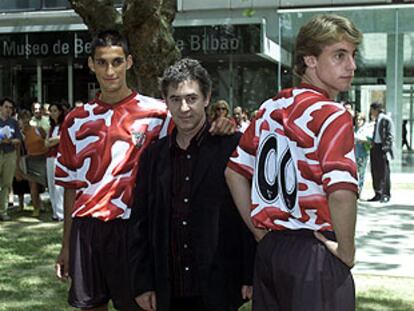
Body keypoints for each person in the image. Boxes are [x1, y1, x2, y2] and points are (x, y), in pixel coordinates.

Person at [54, 30, 234, 311]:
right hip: (88, 229)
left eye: (116, 61)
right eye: (101, 62)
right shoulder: (75, 120)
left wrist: (222, 124)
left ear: (129, 62)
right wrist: (66, 244)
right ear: (90, 64)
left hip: (132, 227)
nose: (109, 70)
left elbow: (194, 134)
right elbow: (70, 187)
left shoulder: (159, 112)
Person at [225, 14, 361, 311]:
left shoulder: (268, 109)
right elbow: (340, 192)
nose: (351, 66)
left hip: (271, 252)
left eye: (353, 55)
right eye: (339, 55)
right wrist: (347, 251)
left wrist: (260, 232)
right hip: (315, 252)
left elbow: (234, 172)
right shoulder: (333, 114)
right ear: (310, 60)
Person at [128, 58, 255, 311]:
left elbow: (248, 216)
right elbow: (140, 222)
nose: (184, 107)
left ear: (207, 98)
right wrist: (142, 282)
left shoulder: (232, 146)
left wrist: (250, 274)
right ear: (166, 102)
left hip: (219, 284)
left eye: (191, 98)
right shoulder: (153, 156)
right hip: (168, 287)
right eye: (175, 99)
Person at [18, 109, 48, 217]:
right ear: (19, 120)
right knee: (33, 185)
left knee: (48, 184)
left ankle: (49, 206)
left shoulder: (38, 129)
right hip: (31, 160)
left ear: (30, 118)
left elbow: (47, 140)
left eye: (27, 117)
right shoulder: (20, 133)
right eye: (22, 118)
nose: (25, 120)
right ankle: (36, 209)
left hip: (43, 158)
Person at [0, 97, 22, 221]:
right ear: (0, 107)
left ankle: (3, 211)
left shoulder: (13, 123)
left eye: (10, 108)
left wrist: (10, 140)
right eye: (6, 107)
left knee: (6, 183)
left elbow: (18, 139)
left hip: (10, 154)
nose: (8, 110)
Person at [368, 102, 394, 203]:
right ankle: (377, 192)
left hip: (382, 148)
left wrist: (386, 148)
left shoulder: (385, 119)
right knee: (375, 171)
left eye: (372, 110)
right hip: (375, 147)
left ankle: (385, 193)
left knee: (384, 172)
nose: (371, 112)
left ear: (376, 109)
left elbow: (390, 135)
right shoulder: (376, 120)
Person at [45, 103, 66, 221]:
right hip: (50, 157)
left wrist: (51, 141)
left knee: (59, 185)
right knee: (51, 184)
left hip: (59, 157)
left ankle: (61, 212)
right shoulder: (51, 127)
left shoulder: (64, 125)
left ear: (60, 112)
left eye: (54, 110)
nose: (52, 113)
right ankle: (54, 212)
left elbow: (60, 138)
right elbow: (46, 143)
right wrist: (52, 141)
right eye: (51, 111)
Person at [354, 112, 374, 193]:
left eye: (360, 120)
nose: (358, 121)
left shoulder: (367, 129)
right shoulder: (353, 129)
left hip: (363, 154)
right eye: (357, 119)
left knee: (361, 174)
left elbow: (370, 140)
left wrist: (360, 139)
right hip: (354, 154)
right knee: (355, 173)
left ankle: (359, 190)